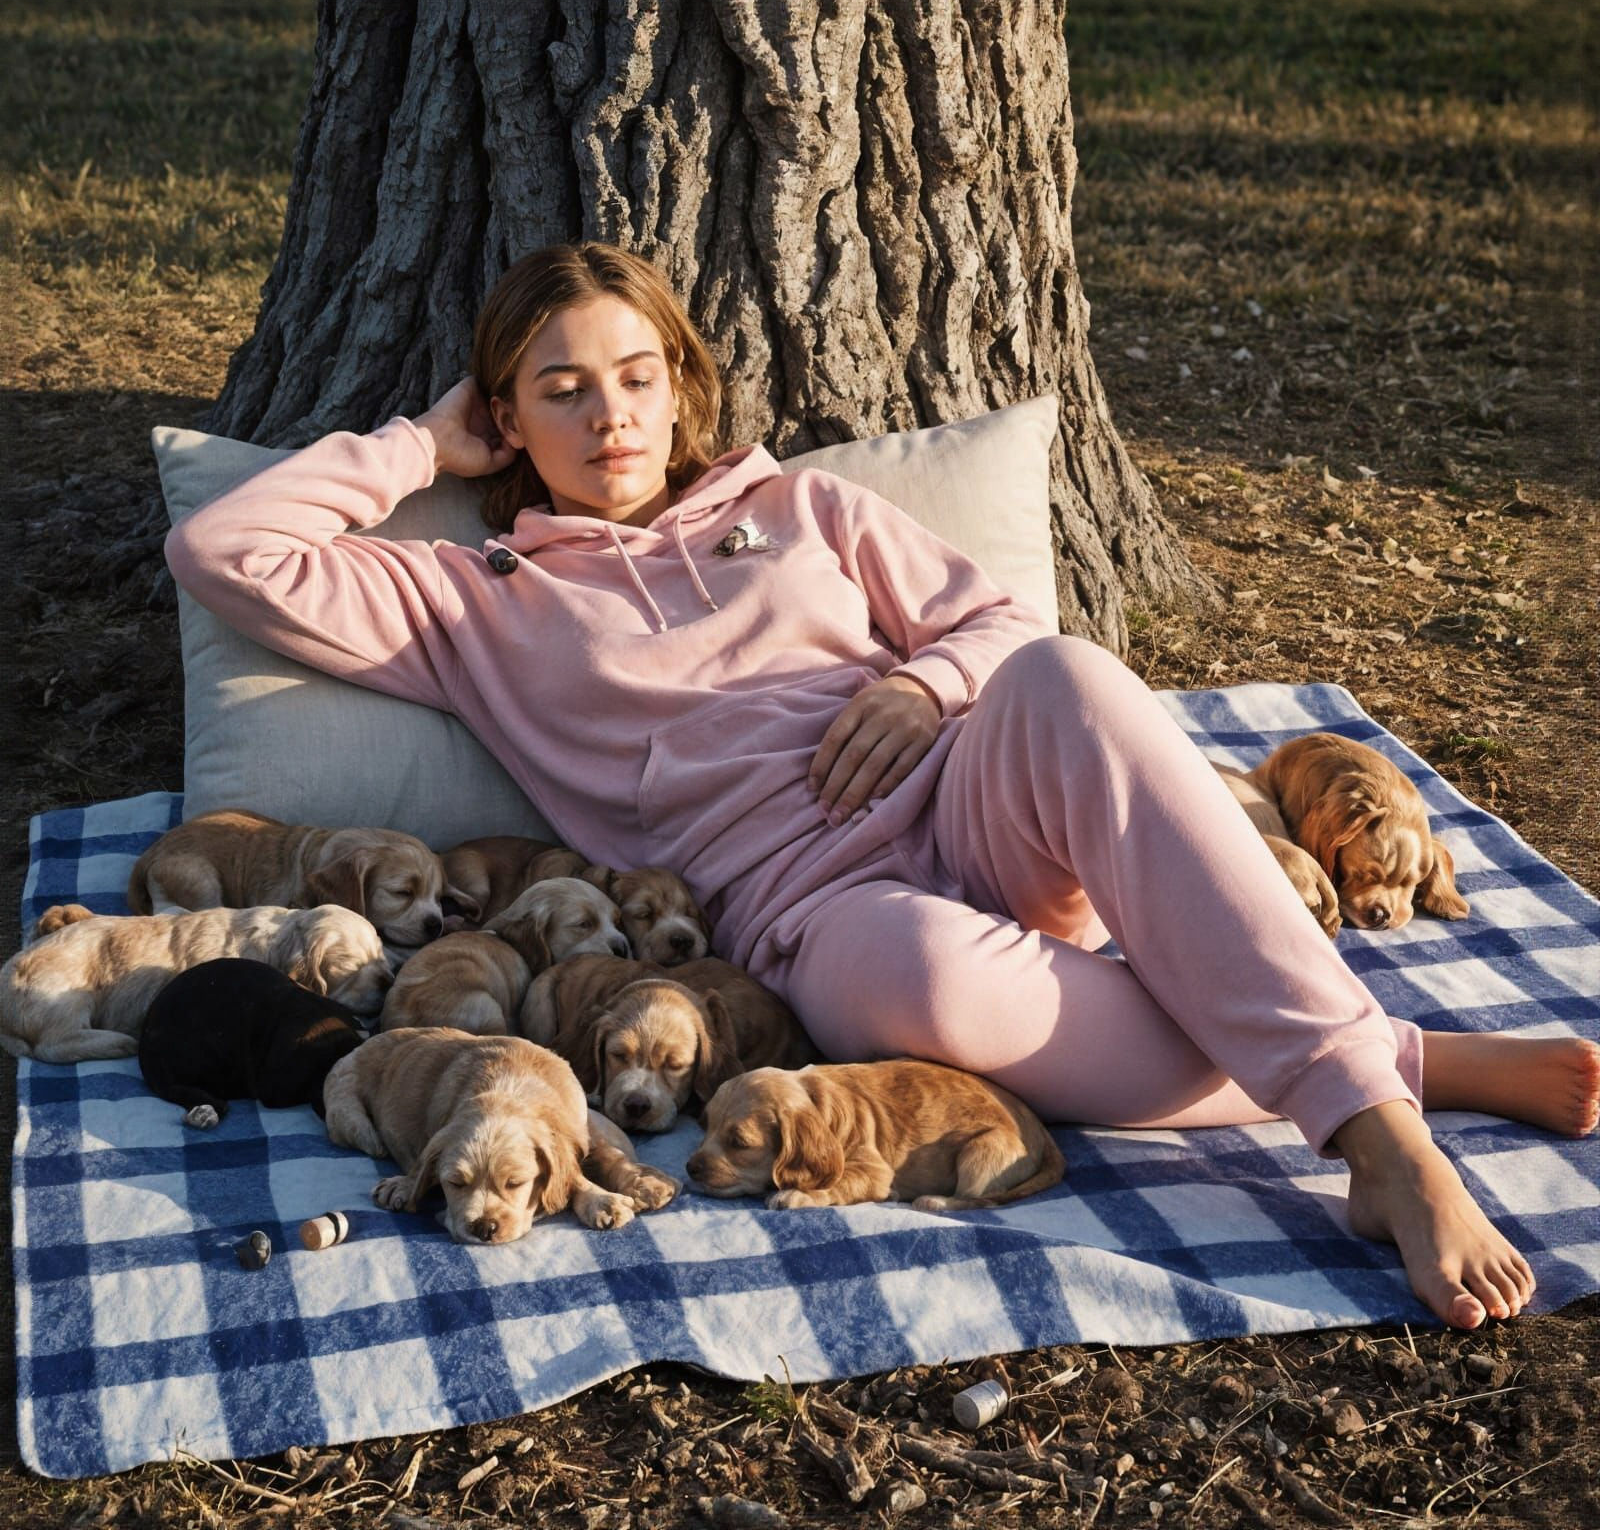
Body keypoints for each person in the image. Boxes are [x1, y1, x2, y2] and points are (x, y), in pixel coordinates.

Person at [166, 242, 1598, 1331]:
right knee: (904, 973)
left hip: (970, 790)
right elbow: (227, 551)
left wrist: (923, 686)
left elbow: (1000, 631)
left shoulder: (802, 506)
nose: (612, 416)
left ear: (684, 385)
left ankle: (1386, 1147)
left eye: (637, 376)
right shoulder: (473, 598)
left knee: (1071, 679)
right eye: (562, 388)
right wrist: (419, 447)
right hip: (814, 910)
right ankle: (1408, 1065)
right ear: (507, 415)